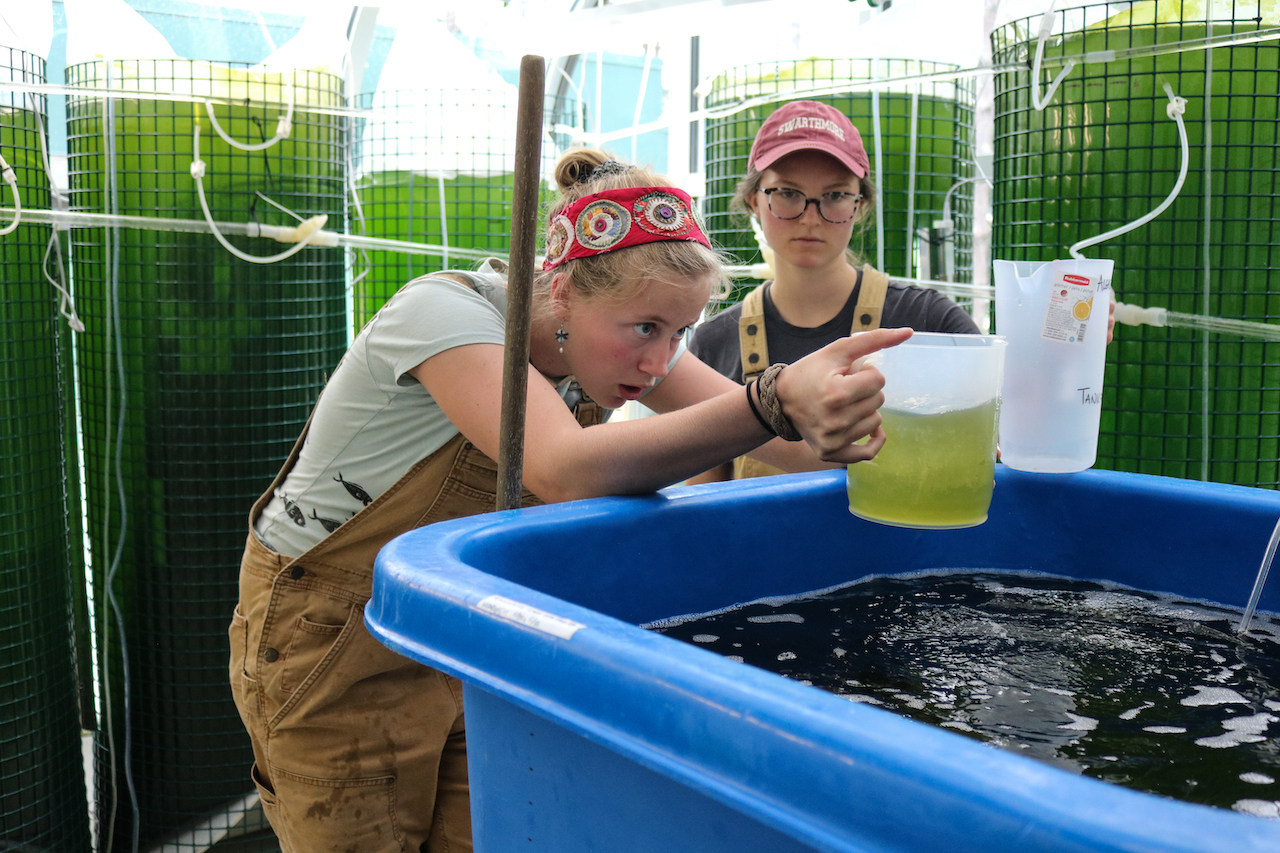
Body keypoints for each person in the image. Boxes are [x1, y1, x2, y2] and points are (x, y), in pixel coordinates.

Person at [228, 147, 912, 852]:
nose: (659, 361)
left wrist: (865, 414)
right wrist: (773, 399)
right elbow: (564, 468)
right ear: (562, 295)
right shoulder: (442, 315)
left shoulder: (618, 337)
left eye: (678, 333)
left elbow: (791, 446)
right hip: (334, 629)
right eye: (646, 329)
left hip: (465, 621)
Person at [688, 99, 980, 482]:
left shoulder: (930, 322)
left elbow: (991, 437)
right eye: (788, 193)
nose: (811, 217)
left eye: (836, 196)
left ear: (860, 206)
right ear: (753, 201)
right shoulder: (715, 342)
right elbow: (703, 505)